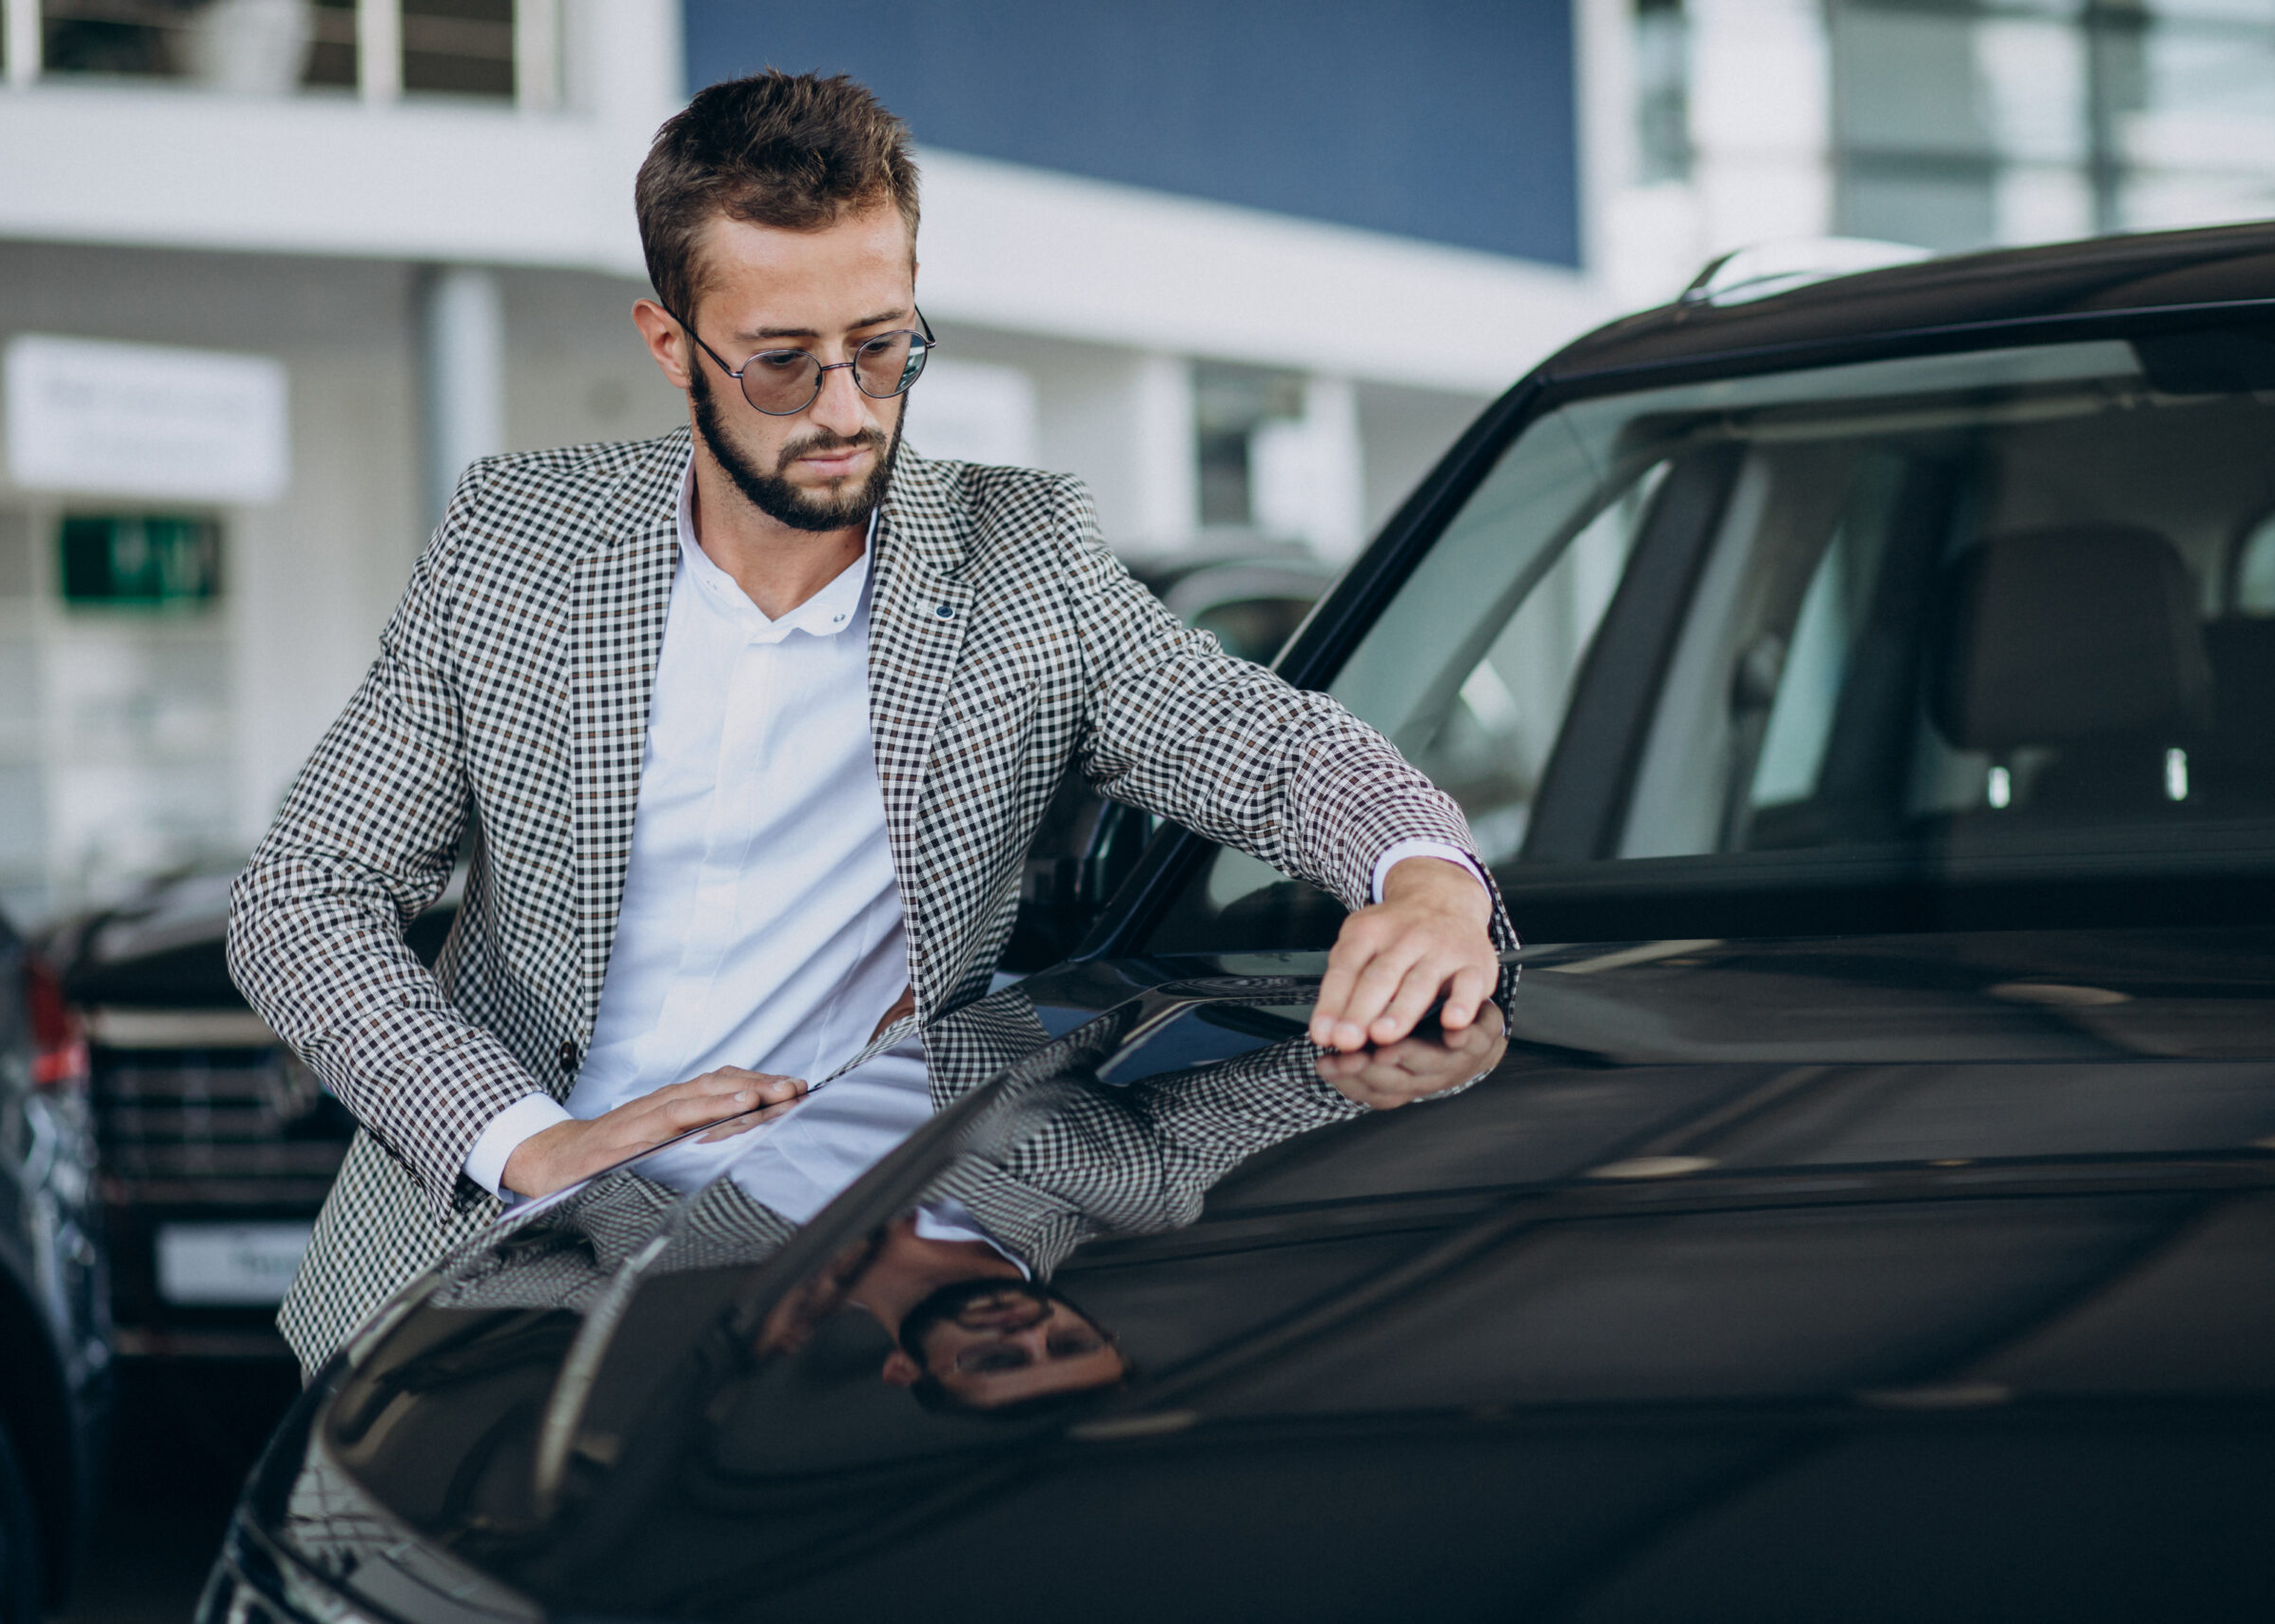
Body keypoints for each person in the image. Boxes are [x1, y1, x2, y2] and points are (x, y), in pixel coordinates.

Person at [229, 69, 1512, 1375]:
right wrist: (522, 1141)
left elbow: (1277, 749)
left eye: (884, 346)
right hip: (494, 1252)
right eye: (783, 363)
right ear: (673, 346)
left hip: (842, 1243)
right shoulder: (518, 546)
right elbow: (302, 898)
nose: (847, 410)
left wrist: (1421, 879)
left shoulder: (1024, 562)